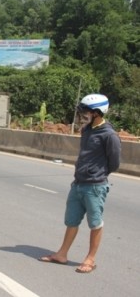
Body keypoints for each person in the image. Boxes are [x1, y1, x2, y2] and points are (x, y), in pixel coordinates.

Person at [39, 93, 121, 273]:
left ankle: (90, 259)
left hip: (95, 186)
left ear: (98, 112)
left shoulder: (109, 135)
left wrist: (97, 174)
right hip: (78, 184)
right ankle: (62, 254)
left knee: (95, 223)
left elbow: (114, 163)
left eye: (87, 111)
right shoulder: (87, 130)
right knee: (71, 221)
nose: (84, 114)